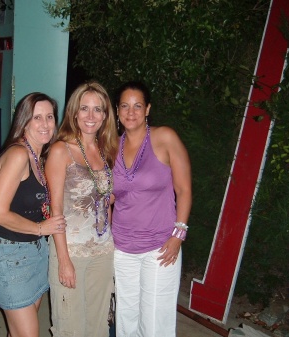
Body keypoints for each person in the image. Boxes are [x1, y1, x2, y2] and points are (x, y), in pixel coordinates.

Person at [0, 92, 67, 337]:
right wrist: (41, 228)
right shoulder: (18, 154)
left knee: (17, 333)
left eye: (49, 117)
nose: (45, 124)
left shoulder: (38, 158)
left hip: (36, 253)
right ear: (24, 121)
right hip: (9, 255)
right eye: (37, 117)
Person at [112, 81, 192, 337]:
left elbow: (184, 190)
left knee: (156, 321)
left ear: (147, 109)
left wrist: (178, 235)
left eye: (137, 105)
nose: (131, 112)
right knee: (126, 317)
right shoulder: (112, 146)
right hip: (121, 247)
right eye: (125, 105)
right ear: (117, 111)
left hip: (159, 247)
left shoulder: (164, 137)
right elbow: (110, 196)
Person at [45, 81, 119, 337]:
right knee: (70, 327)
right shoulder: (60, 150)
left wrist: (113, 246)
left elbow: (107, 202)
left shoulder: (106, 150)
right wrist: (63, 260)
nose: (91, 116)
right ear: (74, 112)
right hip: (71, 250)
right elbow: (55, 210)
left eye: (98, 109)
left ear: (105, 115)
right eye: (84, 108)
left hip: (102, 252)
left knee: (98, 326)